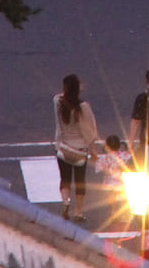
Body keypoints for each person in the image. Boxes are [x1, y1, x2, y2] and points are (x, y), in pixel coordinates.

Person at [53, 73, 99, 225]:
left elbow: (61, 96)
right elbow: (89, 130)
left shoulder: (57, 101)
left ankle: (66, 202)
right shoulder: (83, 107)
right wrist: (93, 150)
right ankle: (78, 211)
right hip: (79, 150)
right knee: (80, 181)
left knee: (65, 179)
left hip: (63, 148)